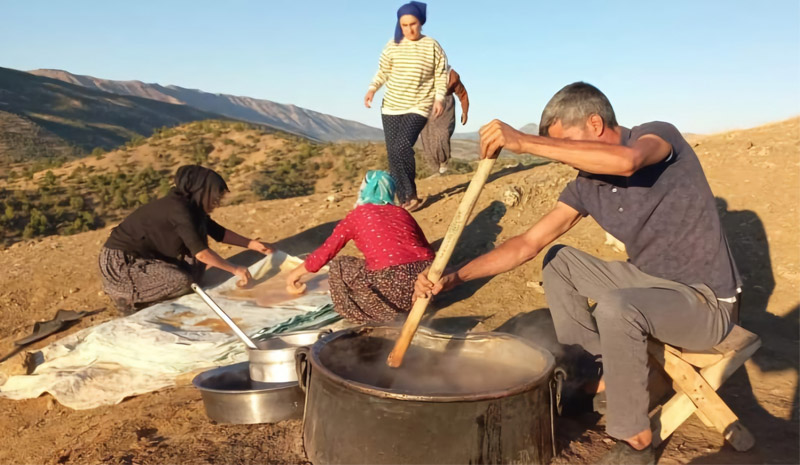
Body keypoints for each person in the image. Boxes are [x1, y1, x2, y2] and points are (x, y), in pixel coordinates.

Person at [414, 82, 740, 465]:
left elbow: (628, 161)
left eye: (566, 143)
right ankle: (595, 368)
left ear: (596, 124)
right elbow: (526, 244)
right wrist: (453, 277)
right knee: (560, 260)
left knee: (618, 307)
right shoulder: (587, 185)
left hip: (705, 303)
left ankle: (635, 440)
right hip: (652, 289)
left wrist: (523, 142)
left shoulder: (657, 138)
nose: (566, 159)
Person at [98, 165, 273, 314]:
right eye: (215, 197)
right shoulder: (179, 210)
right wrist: (235, 269)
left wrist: (253, 245)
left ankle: (154, 289)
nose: (217, 202)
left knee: (195, 271)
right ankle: (130, 300)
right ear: (201, 191)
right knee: (181, 280)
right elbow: (202, 254)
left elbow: (217, 232)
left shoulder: (191, 207)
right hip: (122, 264)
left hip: (147, 257)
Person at [286, 170, 434, 323]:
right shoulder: (402, 212)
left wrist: (295, 274)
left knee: (340, 265)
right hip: (426, 283)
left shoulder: (357, 215)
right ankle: (415, 305)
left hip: (392, 287)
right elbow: (427, 248)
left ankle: (360, 313)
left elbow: (326, 252)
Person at [364, 1, 448, 211]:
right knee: (393, 153)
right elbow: (383, 71)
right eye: (404, 25)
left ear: (421, 22)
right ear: (399, 25)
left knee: (402, 146)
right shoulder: (392, 45)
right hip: (391, 106)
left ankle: (411, 195)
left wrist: (439, 98)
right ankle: (402, 199)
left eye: (413, 23)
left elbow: (441, 74)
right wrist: (372, 89)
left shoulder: (432, 45)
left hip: (419, 105)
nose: (410, 29)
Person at [418, 67, 469, 174]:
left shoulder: (451, 75)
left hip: (446, 106)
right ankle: (435, 169)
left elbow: (462, 94)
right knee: (427, 138)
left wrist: (465, 112)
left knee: (443, 133)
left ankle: (443, 162)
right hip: (428, 105)